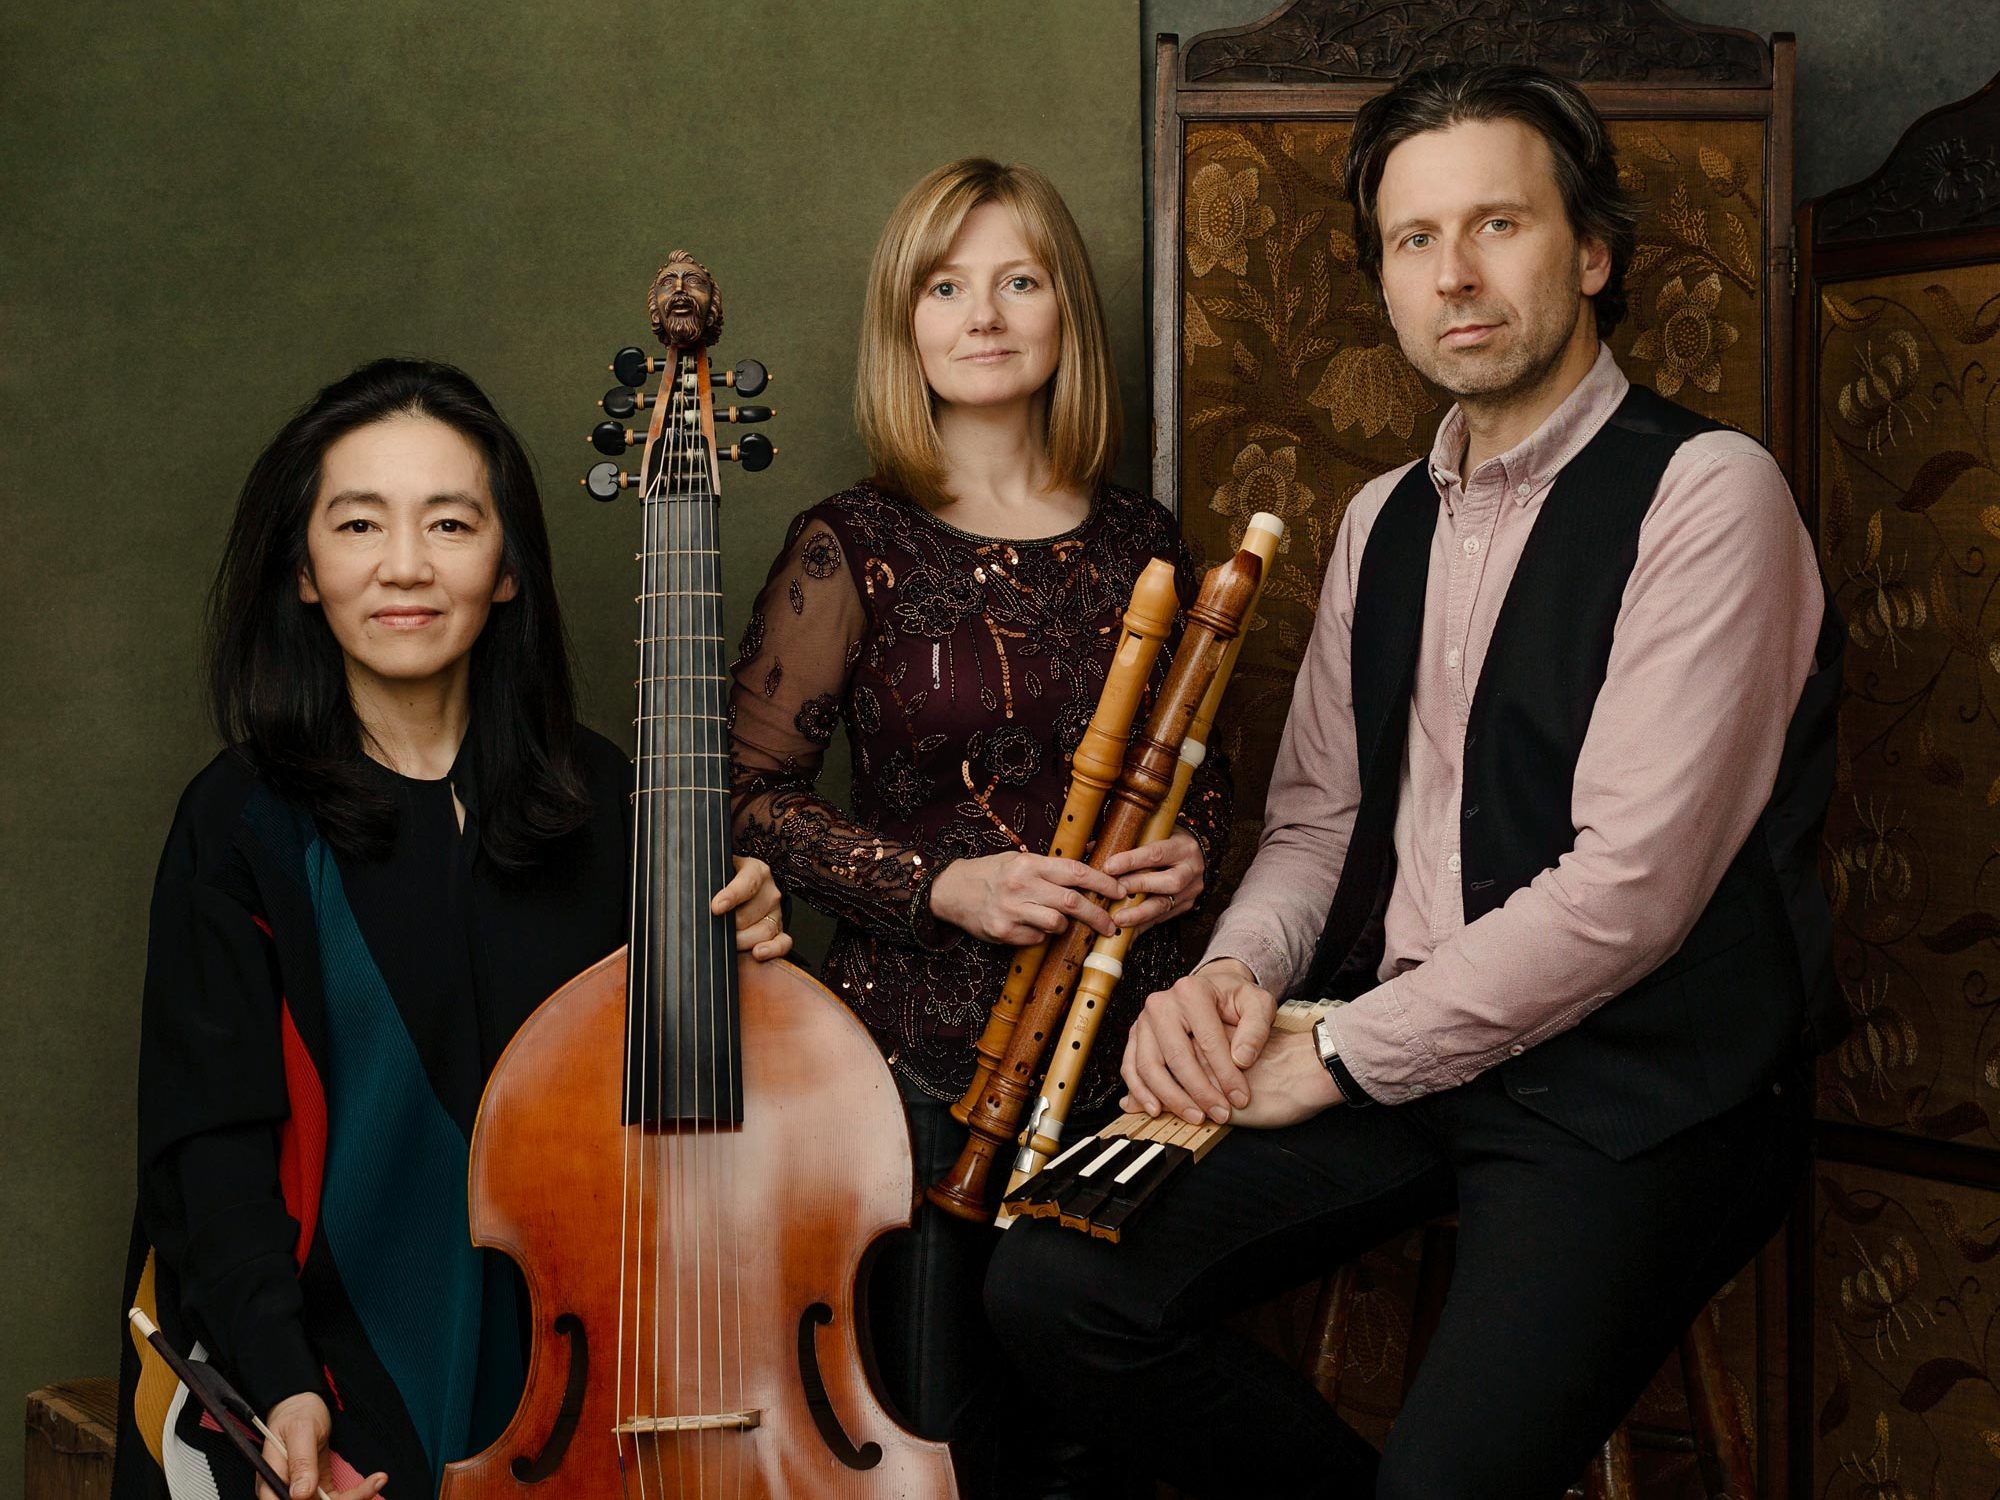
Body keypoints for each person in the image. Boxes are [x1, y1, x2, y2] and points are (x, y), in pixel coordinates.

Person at [987, 63, 1846, 1499]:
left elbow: (1629, 895)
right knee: (1047, 1289)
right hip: (1396, 1045)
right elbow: (1318, 822)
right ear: (1382, 278)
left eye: (1498, 224)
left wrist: (1325, 1056)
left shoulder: (1711, 495)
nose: (1454, 274)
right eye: (1412, 238)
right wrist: (1238, 981)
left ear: (1592, 250)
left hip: (1640, 1087)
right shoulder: (1381, 519)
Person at [113, 358, 790, 1500]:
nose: (406, 566)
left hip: (569, 1359)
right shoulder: (238, 825)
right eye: (360, 523)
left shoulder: (612, 801)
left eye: (449, 522)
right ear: (305, 572)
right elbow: (210, 1155)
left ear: (509, 569)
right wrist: (284, 1385)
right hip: (305, 1344)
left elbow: (691, 1138)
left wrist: (745, 963)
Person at [727, 158, 1231, 1496]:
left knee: (1119, 1450)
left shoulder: (1146, 542)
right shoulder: (852, 542)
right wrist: (944, 889)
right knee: (952, 1444)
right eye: (946, 286)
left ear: (1067, 312)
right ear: (905, 322)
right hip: (917, 1070)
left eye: (1019, 280)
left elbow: (1206, 780)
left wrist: (1192, 861)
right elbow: (745, 805)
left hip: (1127, 1066)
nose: (986, 315)